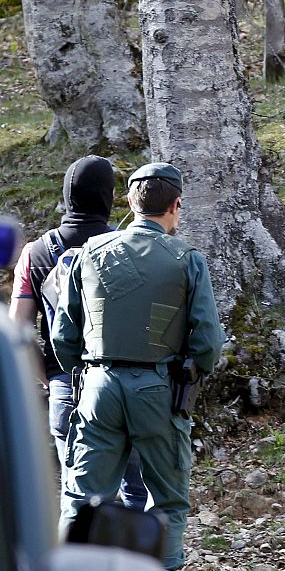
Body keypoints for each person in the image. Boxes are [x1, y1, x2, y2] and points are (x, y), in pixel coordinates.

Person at [51, 162, 226, 570]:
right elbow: (207, 343)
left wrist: (87, 370)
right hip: (159, 390)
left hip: (97, 386)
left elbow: (63, 335)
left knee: (81, 498)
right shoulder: (187, 259)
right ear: (176, 205)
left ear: (130, 201)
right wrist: (190, 373)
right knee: (165, 501)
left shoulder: (87, 253)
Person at [8, 155, 147, 509]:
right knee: (137, 496)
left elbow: (17, 332)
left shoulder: (35, 253)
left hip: (66, 387)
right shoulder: (132, 247)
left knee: (78, 501)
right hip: (127, 390)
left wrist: (50, 378)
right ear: (107, 196)